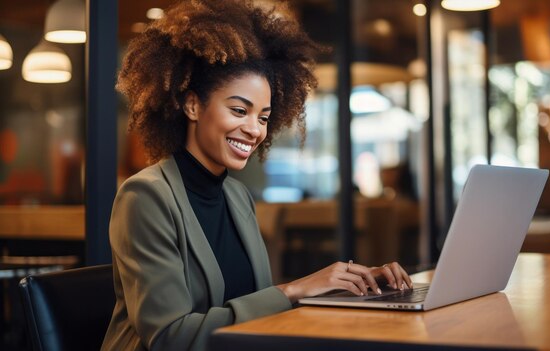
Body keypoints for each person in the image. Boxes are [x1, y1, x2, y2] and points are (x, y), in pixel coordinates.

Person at [101, 1, 413, 349]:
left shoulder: (236, 197)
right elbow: (172, 338)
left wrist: (344, 285)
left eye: (263, 117)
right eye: (239, 110)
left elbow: (253, 304)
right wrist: (294, 289)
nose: (254, 130)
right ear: (192, 105)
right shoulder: (145, 197)